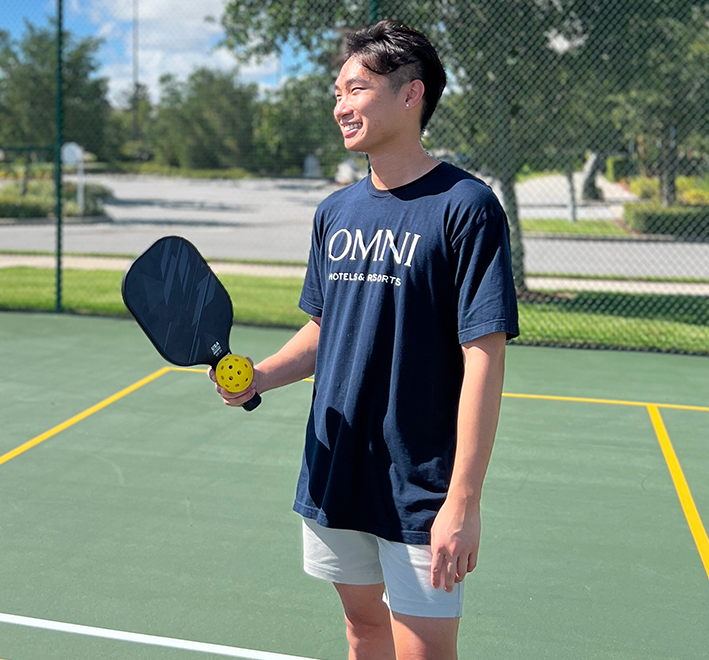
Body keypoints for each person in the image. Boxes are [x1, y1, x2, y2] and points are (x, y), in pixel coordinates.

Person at [212, 21, 518, 660]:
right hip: (336, 467)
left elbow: (483, 354)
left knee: (424, 650)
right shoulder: (336, 212)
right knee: (362, 631)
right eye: (336, 92)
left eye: (356, 89)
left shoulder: (466, 206)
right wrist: (260, 376)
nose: (339, 106)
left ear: (412, 95)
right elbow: (325, 328)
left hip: (421, 481)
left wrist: (464, 497)